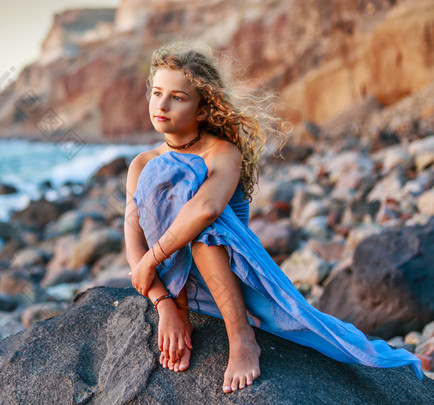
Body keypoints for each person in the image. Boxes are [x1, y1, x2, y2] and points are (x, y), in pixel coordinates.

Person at [123, 41, 423, 395]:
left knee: (204, 226)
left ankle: (242, 337)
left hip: (231, 273)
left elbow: (205, 211)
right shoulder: (141, 164)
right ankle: (182, 306)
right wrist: (164, 305)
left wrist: (150, 262)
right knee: (161, 179)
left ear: (203, 109)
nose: (162, 104)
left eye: (178, 97)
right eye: (157, 93)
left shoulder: (222, 152)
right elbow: (133, 235)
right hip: (176, 284)